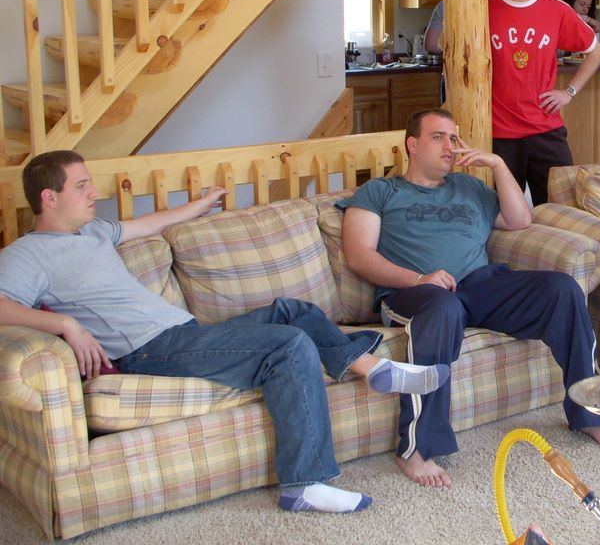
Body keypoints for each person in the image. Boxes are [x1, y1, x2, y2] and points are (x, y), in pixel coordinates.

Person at [0, 150, 450, 515]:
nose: (93, 193)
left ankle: (371, 368)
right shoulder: (28, 255)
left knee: (292, 310)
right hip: (150, 351)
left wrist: (200, 205)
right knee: (288, 345)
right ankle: (304, 484)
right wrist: (64, 323)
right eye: (81, 186)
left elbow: (151, 223)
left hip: (185, 333)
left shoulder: (94, 232)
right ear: (49, 197)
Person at [339, 109, 600, 488]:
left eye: (454, 138)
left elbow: (520, 220)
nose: (450, 146)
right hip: (415, 292)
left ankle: (589, 415)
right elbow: (359, 256)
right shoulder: (380, 192)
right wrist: (420, 278)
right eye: (438, 137)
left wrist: (498, 165)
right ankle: (417, 448)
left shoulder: (469, 187)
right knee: (443, 307)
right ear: (412, 144)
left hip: (479, 285)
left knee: (563, 289)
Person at [489, 0, 600, 205]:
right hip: (498, 134)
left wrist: (569, 92)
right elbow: (448, 45)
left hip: (546, 129)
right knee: (502, 215)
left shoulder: (557, 10)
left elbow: (596, 52)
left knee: (563, 210)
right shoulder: (485, 10)